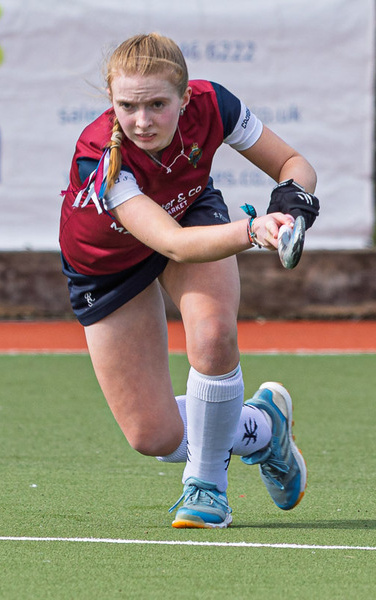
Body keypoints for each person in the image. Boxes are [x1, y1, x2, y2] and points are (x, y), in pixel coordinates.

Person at [58, 33, 319, 528]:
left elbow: (294, 165)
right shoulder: (101, 158)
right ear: (111, 100)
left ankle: (206, 488)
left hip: (189, 210)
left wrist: (291, 203)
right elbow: (172, 244)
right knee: (153, 437)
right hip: (109, 264)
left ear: (184, 97)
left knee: (214, 334)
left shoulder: (214, 104)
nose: (142, 121)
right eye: (127, 106)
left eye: (157, 105)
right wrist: (253, 230)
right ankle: (262, 428)